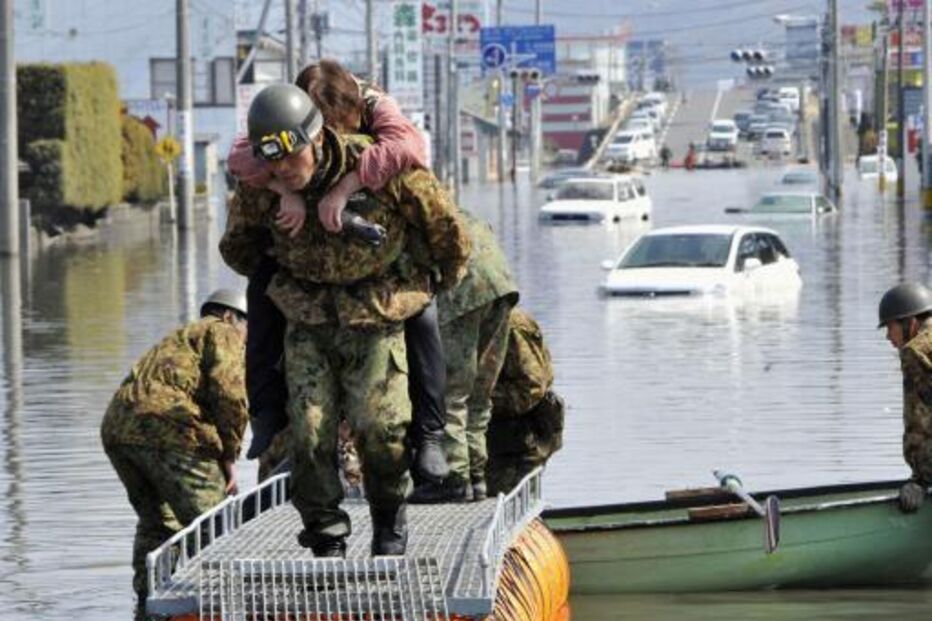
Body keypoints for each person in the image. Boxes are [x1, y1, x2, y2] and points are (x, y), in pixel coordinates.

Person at [220, 84, 470, 557]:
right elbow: (237, 247)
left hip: (375, 317)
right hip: (309, 322)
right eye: (272, 164)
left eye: (290, 161)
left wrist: (429, 280)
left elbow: (447, 229)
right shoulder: (264, 182)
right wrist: (279, 227)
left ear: (316, 139)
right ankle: (325, 533)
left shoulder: (376, 165)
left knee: (380, 427)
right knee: (309, 433)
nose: (281, 171)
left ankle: (389, 518)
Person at [100, 289, 248, 619]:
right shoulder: (221, 331)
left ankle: (146, 605)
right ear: (230, 316)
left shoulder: (179, 339)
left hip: (117, 429)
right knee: (216, 521)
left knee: (158, 522)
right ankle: (219, 604)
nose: (249, 338)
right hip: (168, 428)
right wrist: (229, 454)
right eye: (248, 327)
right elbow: (230, 393)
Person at [411, 213, 519, 503]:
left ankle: (454, 480)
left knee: (450, 392)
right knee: (480, 394)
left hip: (464, 292)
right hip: (501, 284)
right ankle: (477, 478)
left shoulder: (406, 215)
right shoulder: (453, 209)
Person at [486, 307, 565, 495]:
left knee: (505, 507)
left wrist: (477, 401)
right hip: (489, 439)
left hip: (516, 442)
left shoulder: (511, 323)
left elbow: (531, 389)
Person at [878, 283, 932, 513]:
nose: (888, 336)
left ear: (910, 323)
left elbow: (919, 424)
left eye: (890, 327)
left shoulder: (915, 353)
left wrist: (921, 480)